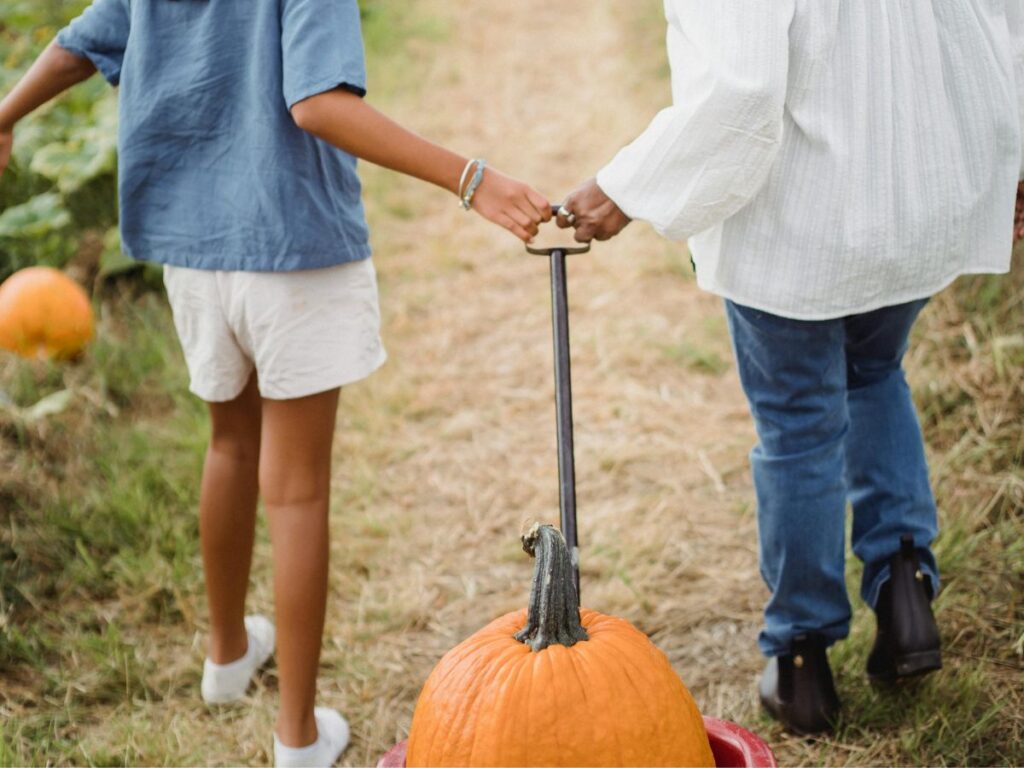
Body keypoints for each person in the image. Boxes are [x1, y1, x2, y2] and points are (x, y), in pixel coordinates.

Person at [0, 2, 550, 765]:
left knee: (228, 444)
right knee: (296, 490)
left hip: (192, 252)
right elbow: (318, 104)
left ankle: (227, 658)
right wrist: (471, 178)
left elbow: (80, 43)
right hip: (293, 248)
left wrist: (6, 115)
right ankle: (297, 737)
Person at [556, 1, 1023, 735]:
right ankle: (905, 590)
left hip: (799, 215)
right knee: (874, 372)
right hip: (914, 192)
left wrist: (627, 186)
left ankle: (802, 657)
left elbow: (740, 91)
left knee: (800, 421)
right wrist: (1012, 156)